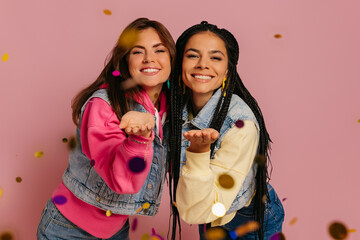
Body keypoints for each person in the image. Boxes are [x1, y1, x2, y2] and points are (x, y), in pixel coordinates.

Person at [37, 17, 175, 239]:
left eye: (159, 50)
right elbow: (121, 181)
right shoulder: (102, 105)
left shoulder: (168, 107)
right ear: (125, 61)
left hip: (116, 229)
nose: (150, 58)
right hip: (68, 229)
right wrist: (139, 139)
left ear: (171, 58)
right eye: (138, 52)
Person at [168, 21, 284, 240]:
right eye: (193, 55)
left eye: (215, 57)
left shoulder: (240, 124)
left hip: (249, 219)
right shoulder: (175, 104)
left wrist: (199, 152)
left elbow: (196, 212)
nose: (203, 64)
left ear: (228, 70)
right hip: (210, 213)